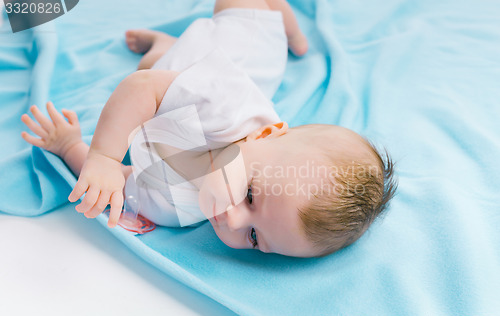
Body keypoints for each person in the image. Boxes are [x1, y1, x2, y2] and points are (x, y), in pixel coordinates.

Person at [21, 0, 397, 257]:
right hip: (236, 52)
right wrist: (103, 155)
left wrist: (71, 146)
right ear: (265, 134)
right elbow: (140, 91)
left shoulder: (174, 206)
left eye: (253, 238)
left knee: (154, 71)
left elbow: (113, 184)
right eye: (250, 196)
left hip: (168, 90)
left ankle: (164, 48)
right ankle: (288, 23)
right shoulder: (226, 104)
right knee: (247, 15)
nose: (232, 220)